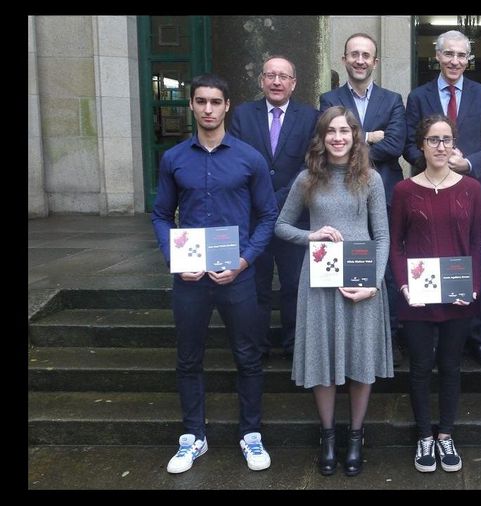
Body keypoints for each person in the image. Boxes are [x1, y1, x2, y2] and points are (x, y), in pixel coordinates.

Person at [151, 73, 278, 474]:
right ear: (192, 105)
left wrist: (245, 260)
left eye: (215, 102)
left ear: (227, 107)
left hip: (236, 277)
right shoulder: (174, 159)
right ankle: (193, 436)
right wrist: (176, 260)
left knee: (248, 356)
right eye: (201, 101)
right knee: (188, 358)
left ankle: (251, 434)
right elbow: (159, 215)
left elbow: (268, 214)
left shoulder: (248, 158)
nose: (208, 109)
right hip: (190, 280)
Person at [274, 106, 392, 477]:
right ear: (322, 138)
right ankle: (328, 436)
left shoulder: (370, 179)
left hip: (361, 279)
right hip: (320, 283)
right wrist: (312, 235)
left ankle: (356, 435)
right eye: (331, 131)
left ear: (356, 136)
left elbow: (383, 235)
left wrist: (374, 283)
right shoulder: (307, 179)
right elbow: (280, 226)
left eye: (345, 130)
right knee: (323, 361)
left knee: (360, 360)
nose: (338, 137)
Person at [389, 114, 481, 473]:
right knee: (420, 368)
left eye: (446, 140)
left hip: (458, 296)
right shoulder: (404, 191)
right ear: (421, 146)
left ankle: (446, 435)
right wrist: (403, 286)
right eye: (433, 140)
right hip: (417, 297)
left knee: (450, 367)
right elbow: (396, 245)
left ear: (454, 144)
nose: (441, 146)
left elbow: (477, 243)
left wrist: (473, 286)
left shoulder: (472, 189)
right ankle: (424, 435)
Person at [404, 29, 481, 369]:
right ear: (437, 56)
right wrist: (437, 162)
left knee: (472, 256)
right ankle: (434, 337)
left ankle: (476, 339)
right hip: (429, 190)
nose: (455, 61)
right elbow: (407, 143)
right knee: (433, 255)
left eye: (462, 56)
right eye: (449, 54)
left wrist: (467, 164)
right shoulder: (418, 96)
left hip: (471, 189)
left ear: (468, 60)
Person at [320, 33, 407, 363]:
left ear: (375, 62)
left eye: (366, 55)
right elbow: (328, 140)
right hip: (339, 196)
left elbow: (395, 144)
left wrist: (353, 141)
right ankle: (346, 342)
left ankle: (388, 339)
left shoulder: (393, 99)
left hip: (382, 194)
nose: (359, 60)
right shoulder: (328, 99)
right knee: (345, 264)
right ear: (344, 60)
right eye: (353, 54)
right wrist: (370, 137)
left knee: (385, 270)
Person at [229, 55, 320, 360]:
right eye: (271, 75)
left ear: (294, 83)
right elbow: (238, 161)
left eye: (284, 76)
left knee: (295, 284)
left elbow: (311, 165)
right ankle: (259, 343)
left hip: (295, 216)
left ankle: (294, 343)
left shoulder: (309, 117)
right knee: (257, 285)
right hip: (254, 218)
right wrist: (263, 202)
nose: (277, 81)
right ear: (261, 81)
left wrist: (277, 200)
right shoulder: (243, 115)